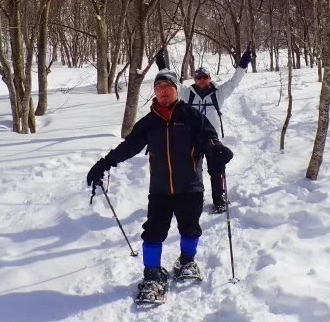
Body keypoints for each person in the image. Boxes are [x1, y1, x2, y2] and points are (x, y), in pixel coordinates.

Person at [86, 68, 234, 303]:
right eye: (159, 88)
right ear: (154, 92)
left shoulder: (191, 116)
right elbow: (128, 147)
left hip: (190, 186)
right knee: (153, 232)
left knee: (190, 228)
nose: (164, 92)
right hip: (160, 189)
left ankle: (187, 261)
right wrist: (103, 164)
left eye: (168, 88)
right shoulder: (148, 123)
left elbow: (209, 138)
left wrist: (216, 149)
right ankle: (152, 274)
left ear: (177, 90)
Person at [155, 44, 252, 213]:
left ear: (209, 77)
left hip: (211, 138)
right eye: (198, 77)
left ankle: (218, 199)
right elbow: (173, 83)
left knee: (216, 169)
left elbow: (234, 82)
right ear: (194, 79)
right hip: (190, 137)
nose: (201, 80)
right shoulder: (187, 94)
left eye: (204, 77)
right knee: (191, 170)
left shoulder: (218, 93)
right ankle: (192, 199)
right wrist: (162, 65)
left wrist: (243, 64)